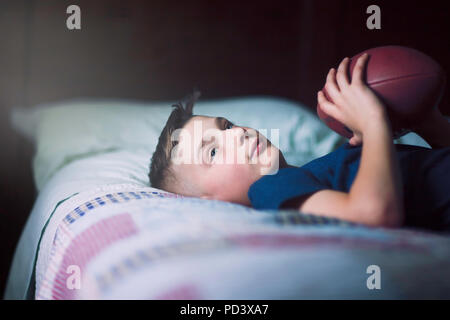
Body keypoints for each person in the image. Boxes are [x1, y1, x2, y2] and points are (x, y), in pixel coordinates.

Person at [149, 54, 450, 232]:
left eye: (226, 125)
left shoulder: (314, 174)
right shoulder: (270, 188)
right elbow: (372, 215)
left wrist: (426, 122)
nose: (236, 133)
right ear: (207, 203)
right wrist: (374, 125)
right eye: (212, 151)